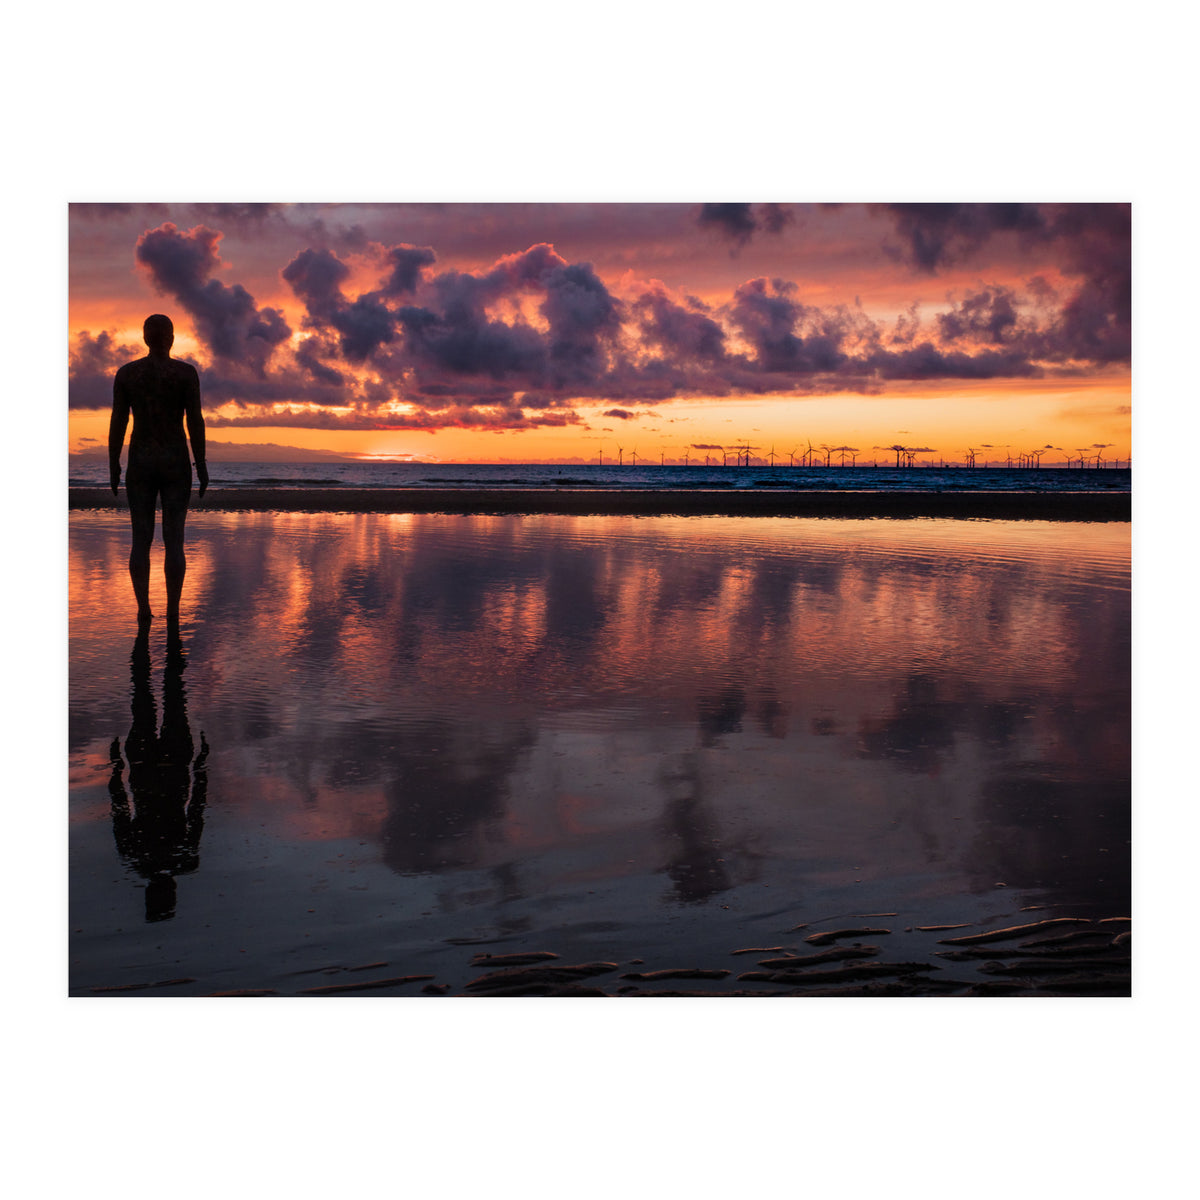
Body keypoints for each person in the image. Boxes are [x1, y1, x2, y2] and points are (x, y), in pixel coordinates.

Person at [109, 314, 208, 620]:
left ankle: (143, 609)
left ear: (145, 338)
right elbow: (194, 421)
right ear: (172, 338)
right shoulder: (184, 373)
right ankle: (173, 610)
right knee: (174, 539)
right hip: (176, 461)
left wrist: (113, 462)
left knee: (141, 539)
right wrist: (201, 463)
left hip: (140, 461)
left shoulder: (128, 374)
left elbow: (119, 422)